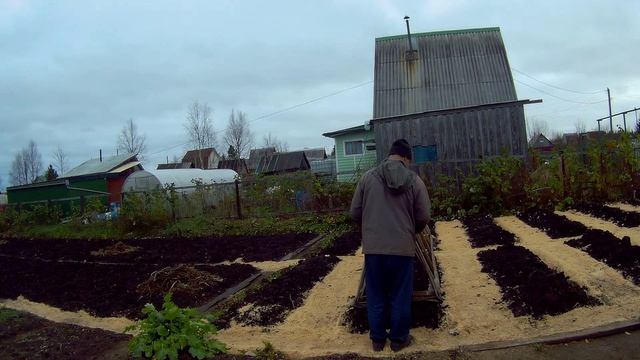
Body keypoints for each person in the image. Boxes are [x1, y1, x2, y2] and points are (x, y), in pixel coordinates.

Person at [350, 138, 431, 352]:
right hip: (402, 250)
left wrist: (370, 229)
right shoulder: (414, 181)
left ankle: (377, 340)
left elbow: (354, 212)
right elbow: (423, 215)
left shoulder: (367, 178)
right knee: (400, 295)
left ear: (390, 154)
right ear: (405, 157)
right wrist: (410, 230)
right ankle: (398, 340)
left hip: (374, 249)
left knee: (376, 294)